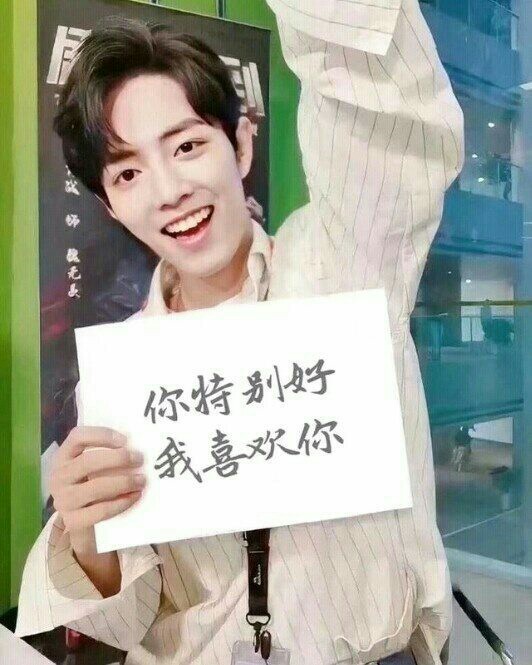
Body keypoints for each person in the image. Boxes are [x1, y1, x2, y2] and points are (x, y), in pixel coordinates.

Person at [15, 1, 464, 663]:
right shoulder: (122, 380)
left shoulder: (341, 268)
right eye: (129, 173)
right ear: (110, 205)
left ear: (242, 144)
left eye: (187, 145)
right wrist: (87, 539)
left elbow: (381, 122)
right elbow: (126, 618)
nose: (169, 190)